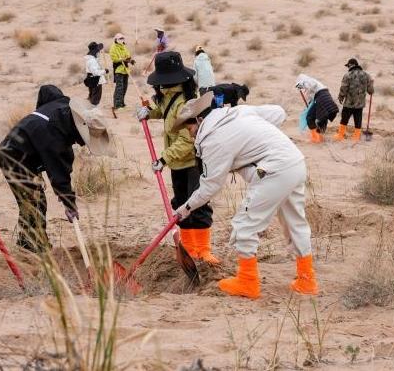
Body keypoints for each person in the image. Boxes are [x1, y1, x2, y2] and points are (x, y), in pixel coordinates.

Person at [171, 92, 317, 299]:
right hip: (295, 162)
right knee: (295, 223)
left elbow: (210, 186)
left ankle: (248, 282)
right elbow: (278, 113)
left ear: (200, 120)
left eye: (190, 128)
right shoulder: (239, 112)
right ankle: (307, 280)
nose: (190, 134)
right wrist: (256, 138)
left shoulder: (214, 140)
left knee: (245, 226)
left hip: (273, 171)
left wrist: (185, 208)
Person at [0, 86, 111, 254]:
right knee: (33, 202)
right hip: (13, 156)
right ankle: (33, 247)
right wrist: (69, 203)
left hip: (27, 151)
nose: (82, 143)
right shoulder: (54, 138)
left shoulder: (64, 106)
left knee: (35, 200)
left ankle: (26, 241)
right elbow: (59, 176)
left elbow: (47, 90)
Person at [136, 52, 219, 265]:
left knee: (197, 205)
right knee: (181, 204)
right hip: (177, 164)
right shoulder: (169, 95)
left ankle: (203, 250)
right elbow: (164, 112)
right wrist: (148, 112)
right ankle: (189, 248)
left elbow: (186, 141)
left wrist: (163, 158)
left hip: (192, 162)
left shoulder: (186, 103)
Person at [335, 58, 374, 141]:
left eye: (348, 66)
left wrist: (341, 97)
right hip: (360, 103)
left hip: (349, 103)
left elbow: (344, 88)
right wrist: (371, 90)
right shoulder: (366, 75)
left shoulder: (348, 75)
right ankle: (356, 137)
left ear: (350, 65)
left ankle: (340, 136)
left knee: (344, 119)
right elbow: (370, 91)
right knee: (358, 119)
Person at [295, 74, 338, 143]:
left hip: (321, 97)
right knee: (322, 118)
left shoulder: (309, 81)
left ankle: (315, 138)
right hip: (325, 96)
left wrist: (302, 84)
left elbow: (312, 85)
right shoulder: (316, 84)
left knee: (310, 117)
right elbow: (312, 97)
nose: (302, 88)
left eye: (301, 86)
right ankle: (319, 137)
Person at [109, 34, 133, 111]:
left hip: (125, 70)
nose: (121, 39)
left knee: (125, 87)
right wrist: (122, 59)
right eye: (120, 38)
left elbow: (128, 55)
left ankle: (122, 103)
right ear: (116, 39)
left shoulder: (124, 46)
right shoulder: (113, 48)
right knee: (119, 87)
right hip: (118, 70)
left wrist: (130, 60)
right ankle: (117, 105)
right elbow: (114, 59)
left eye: (122, 38)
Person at [84, 42, 107, 106]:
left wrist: (100, 47)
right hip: (95, 79)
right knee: (95, 98)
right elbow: (95, 72)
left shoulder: (91, 58)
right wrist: (104, 71)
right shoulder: (92, 60)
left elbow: (98, 48)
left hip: (91, 78)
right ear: (94, 51)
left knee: (92, 95)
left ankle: (89, 109)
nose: (98, 52)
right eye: (97, 50)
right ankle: (92, 112)